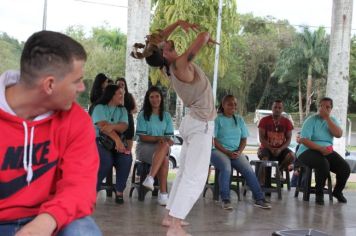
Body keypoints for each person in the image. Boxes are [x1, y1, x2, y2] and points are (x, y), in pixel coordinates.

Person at [0, 31, 101, 235]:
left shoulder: (76, 120)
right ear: (49, 84)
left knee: (82, 231)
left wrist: (43, 224)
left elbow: (80, 186)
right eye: (77, 81)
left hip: (50, 220)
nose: (82, 88)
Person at [132, 20, 217, 236]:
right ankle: (176, 226)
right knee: (195, 177)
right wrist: (206, 38)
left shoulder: (166, 65)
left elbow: (154, 39)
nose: (166, 41)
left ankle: (170, 216)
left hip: (193, 122)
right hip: (201, 124)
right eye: (165, 45)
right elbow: (203, 34)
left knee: (185, 173)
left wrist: (179, 23)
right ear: (165, 52)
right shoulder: (179, 65)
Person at [211, 95, 271, 210]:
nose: (232, 106)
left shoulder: (239, 119)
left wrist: (239, 151)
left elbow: (244, 139)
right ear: (223, 105)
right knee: (226, 167)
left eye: (234, 104)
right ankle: (225, 199)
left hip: (235, 152)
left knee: (248, 170)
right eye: (229, 104)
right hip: (218, 151)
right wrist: (227, 152)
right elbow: (214, 140)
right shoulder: (217, 119)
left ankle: (259, 198)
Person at [296, 97, 350, 205]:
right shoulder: (311, 120)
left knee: (345, 168)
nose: (324, 109)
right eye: (321, 106)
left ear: (331, 109)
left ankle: (337, 192)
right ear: (318, 107)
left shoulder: (332, 120)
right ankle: (319, 194)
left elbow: (338, 134)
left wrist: (327, 119)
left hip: (326, 151)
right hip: (307, 151)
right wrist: (320, 148)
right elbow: (304, 140)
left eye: (327, 107)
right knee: (323, 164)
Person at [91, 85, 132, 204]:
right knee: (106, 161)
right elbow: (103, 128)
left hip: (117, 143)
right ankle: (93, 191)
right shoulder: (99, 108)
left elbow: (124, 126)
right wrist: (118, 140)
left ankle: (119, 191)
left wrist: (112, 126)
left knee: (126, 159)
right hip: (100, 142)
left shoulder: (122, 110)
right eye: (119, 93)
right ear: (111, 95)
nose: (122, 96)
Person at [135, 86, 174, 206]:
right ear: (148, 99)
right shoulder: (143, 115)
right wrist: (158, 138)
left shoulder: (166, 116)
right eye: (151, 97)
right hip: (144, 147)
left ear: (161, 98)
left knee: (165, 154)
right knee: (165, 156)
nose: (155, 99)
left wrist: (167, 141)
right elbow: (142, 137)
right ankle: (163, 194)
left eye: (157, 96)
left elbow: (169, 137)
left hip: (162, 147)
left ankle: (150, 178)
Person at [257, 100, 295, 185]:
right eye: (275, 107)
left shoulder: (287, 122)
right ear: (272, 108)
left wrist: (280, 149)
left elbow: (288, 139)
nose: (277, 109)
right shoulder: (264, 120)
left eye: (279, 107)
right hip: (265, 148)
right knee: (265, 160)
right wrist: (271, 149)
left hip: (281, 150)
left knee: (292, 156)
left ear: (282, 109)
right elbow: (261, 138)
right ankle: (262, 185)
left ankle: (279, 170)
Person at [115, 77, 137, 154]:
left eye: (122, 84)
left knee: (128, 150)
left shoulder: (130, 96)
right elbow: (121, 106)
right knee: (119, 150)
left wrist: (128, 112)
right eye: (118, 85)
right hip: (118, 123)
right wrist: (121, 95)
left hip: (129, 122)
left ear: (125, 86)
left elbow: (135, 109)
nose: (121, 86)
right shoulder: (114, 97)